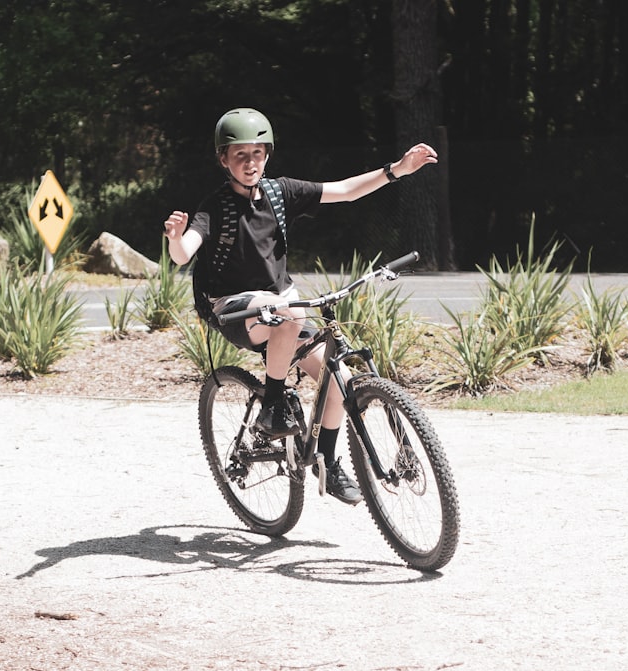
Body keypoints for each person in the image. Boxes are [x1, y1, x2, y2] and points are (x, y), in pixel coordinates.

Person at [163, 107, 437, 505]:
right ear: (223, 158)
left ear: (267, 155)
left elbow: (344, 191)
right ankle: (273, 403)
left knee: (336, 375)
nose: (250, 162)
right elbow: (184, 253)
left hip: (280, 307)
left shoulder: (279, 192)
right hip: (235, 309)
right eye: (240, 154)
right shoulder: (214, 208)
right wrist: (175, 237)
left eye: (257, 153)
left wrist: (396, 170)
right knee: (288, 313)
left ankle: (326, 456)